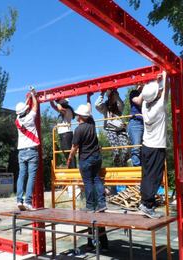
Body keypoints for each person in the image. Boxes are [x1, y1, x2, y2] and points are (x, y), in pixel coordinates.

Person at [67, 93, 109, 251]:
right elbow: (89, 111)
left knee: (89, 182)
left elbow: (74, 148)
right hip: (97, 158)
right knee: (97, 179)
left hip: (86, 160)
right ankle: (102, 204)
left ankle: (91, 206)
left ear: (79, 116)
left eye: (77, 114)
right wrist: (88, 99)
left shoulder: (79, 130)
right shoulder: (91, 124)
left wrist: (69, 159)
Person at [138, 71, 169, 218]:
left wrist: (158, 82)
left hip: (146, 146)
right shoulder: (159, 107)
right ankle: (147, 205)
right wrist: (165, 74)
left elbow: (158, 93)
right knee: (155, 177)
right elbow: (164, 92)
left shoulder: (145, 105)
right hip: (156, 147)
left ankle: (144, 202)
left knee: (146, 176)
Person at [15, 88, 39, 211]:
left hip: (21, 152)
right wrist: (33, 95)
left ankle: (19, 200)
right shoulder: (30, 117)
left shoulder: (17, 121)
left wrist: (28, 98)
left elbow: (25, 108)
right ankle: (28, 202)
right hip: (31, 151)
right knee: (31, 176)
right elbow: (35, 105)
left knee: (21, 175)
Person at [95, 89, 129, 167]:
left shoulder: (119, 106)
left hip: (121, 130)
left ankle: (124, 166)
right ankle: (117, 167)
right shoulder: (105, 107)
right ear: (108, 98)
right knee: (116, 151)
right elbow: (97, 105)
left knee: (126, 150)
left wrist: (115, 94)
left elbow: (120, 103)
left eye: (114, 96)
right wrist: (102, 93)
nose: (112, 98)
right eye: (111, 96)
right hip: (111, 130)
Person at [50, 98, 76, 168]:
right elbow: (53, 106)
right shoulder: (63, 110)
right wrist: (51, 100)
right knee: (66, 152)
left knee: (69, 153)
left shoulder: (67, 110)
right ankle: (71, 168)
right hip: (63, 134)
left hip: (66, 134)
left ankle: (73, 169)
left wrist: (57, 102)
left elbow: (60, 108)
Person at [127, 84, 144, 166]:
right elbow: (138, 101)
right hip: (136, 122)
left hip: (145, 122)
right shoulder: (134, 93)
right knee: (136, 147)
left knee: (145, 147)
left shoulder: (147, 93)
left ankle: (143, 166)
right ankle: (136, 166)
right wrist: (143, 91)